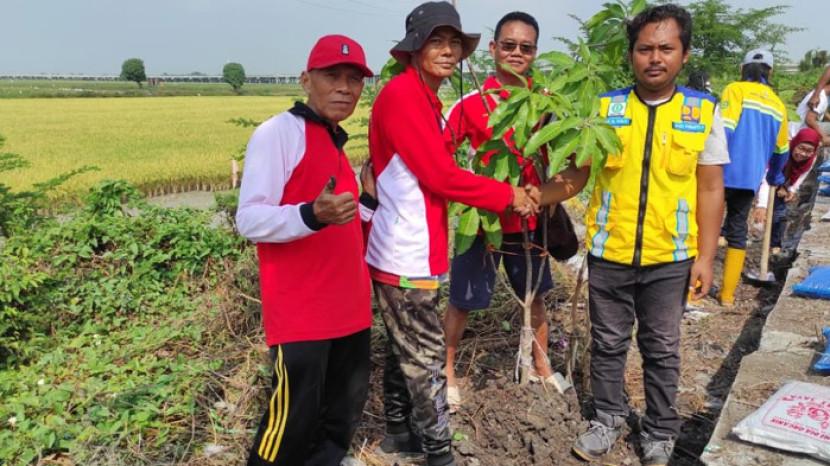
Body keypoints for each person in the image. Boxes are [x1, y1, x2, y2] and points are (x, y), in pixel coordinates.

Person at [366, 3, 539, 465]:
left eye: (454, 43)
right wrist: (508, 195)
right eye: (436, 42)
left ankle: (399, 435)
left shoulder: (426, 97)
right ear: (413, 48)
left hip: (410, 245)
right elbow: (440, 176)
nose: (447, 51)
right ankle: (440, 453)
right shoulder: (404, 96)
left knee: (404, 348)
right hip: (405, 249)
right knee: (425, 356)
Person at [569, 5, 727, 465]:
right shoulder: (605, 109)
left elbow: (710, 188)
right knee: (607, 343)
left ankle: (659, 430)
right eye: (644, 49)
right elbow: (578, 174)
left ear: (684, 54)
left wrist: (706, 257)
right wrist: (530, 195)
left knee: (661, 347)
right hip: (610, 252)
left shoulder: (702, 111)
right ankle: (607, 418)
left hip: (670, 258)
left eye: (666, 48)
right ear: (631, 55)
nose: (655, 58)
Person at [236, 35, 376, 466]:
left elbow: (342, 227)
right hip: (303, 311)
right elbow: (250, 219)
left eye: (354, 79)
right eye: (332, 76)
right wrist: (310, 214)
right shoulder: (279, 133)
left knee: (339, 418)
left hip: (349, 308)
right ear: (305, 80)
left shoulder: (333, 141)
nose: (345, 88)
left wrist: (367, 200)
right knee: (290, 423)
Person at [440, 11, 589, 412]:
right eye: (508, 45)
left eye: (526, 47)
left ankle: (541, 366)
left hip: (531, 220)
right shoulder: (471, 103)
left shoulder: (549, 104)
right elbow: (441, 161)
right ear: (493, 49)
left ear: (535, 53)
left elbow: (573, 159)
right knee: (463, 300)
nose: (516, 53)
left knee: (535, 297)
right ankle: (447, 372)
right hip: (481, 220)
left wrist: (545, 193)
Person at [715, 49, 789, 306]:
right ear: (771, 72)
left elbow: (725, 129)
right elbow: (782, 150)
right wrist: (775, 176)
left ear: (742, 68)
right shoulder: (778, 105)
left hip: (721, 171)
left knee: (707, 227)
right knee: (737, 231)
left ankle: (694, 290)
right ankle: (727, 295)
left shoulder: (734, 90)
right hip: (749, 178)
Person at [752, 127, 822, 254]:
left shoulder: (811, 159)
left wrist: (792, 189)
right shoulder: (782, 153)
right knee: (761, 211)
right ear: (795, 143)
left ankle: (774, 244)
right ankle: (751, 234)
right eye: (801, 148)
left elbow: (802, 175)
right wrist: (762, 205)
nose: (803, 154)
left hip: (784, 181)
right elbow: (767, 179)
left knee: (779, 214)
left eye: (809, 151)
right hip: (766, 177)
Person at [792, 77, 830, 144]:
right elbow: (809, 120)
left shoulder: (825, 95)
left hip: (803, 128)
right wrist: (824, 137)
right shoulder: (821, 97)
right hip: (798, 132)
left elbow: (820, 111)